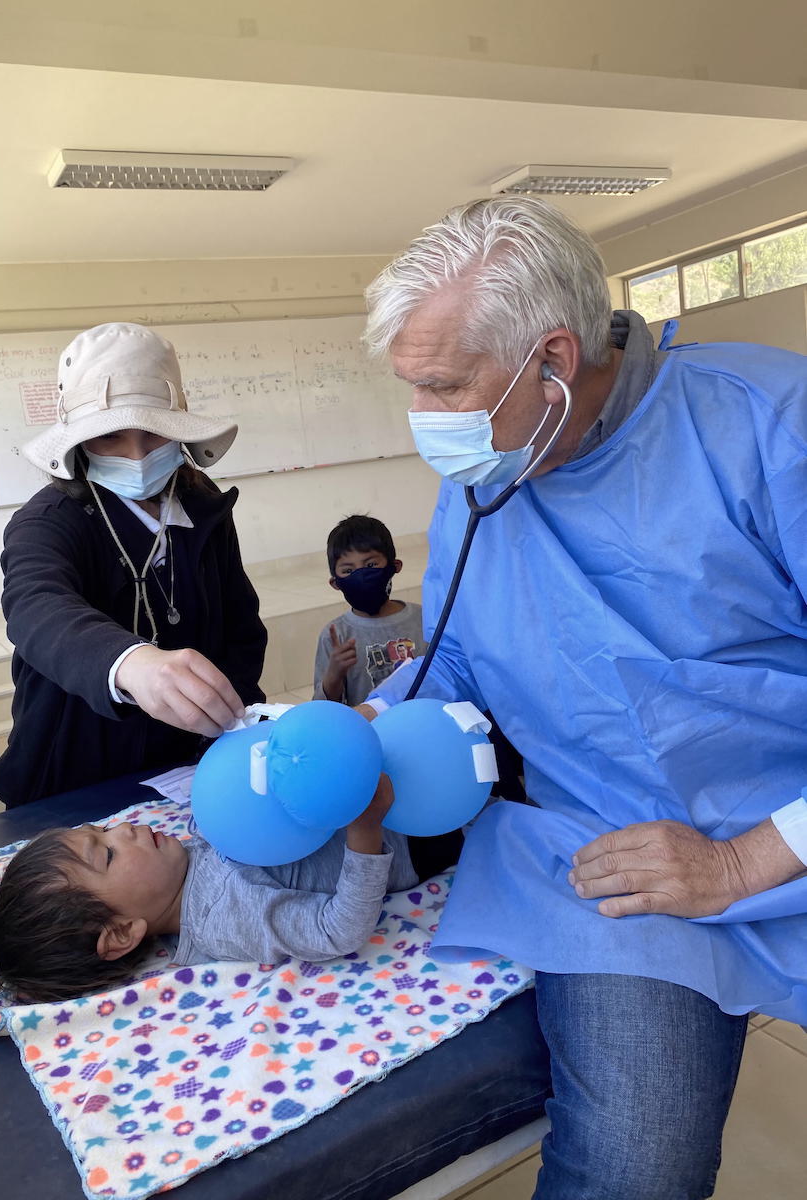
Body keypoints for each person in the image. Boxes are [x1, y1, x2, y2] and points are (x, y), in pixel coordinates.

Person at [359, 196, 807, 1200]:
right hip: (609, 852)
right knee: (635, 1169)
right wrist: (369, 731)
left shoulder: (770, 424)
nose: (425, 420)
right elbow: (461, 659)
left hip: (788, 831)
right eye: (412, 389)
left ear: (553, 359)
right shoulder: (487, 473)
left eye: (442, 386)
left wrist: (741, 861)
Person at [0, 323, 267, 808]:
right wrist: (129, 664)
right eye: (110, 437)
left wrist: (236, 716)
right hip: (73, 777)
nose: (136, 456)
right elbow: (35, 607)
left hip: (188, 765)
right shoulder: (48, 521)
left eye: (153, 433)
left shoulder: (204, 507)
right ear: (78, 442)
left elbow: (241, 626)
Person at [0, 781, 416, 1002]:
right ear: (119, 933)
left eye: (104, 829)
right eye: (108, 854)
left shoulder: (183, 864)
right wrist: (366, 827)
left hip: (362, 794)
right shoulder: (221, 918)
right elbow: (336, 931)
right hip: (410, 835)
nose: (124, 830)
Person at [313, 514, 425, 706]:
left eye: (371, 565)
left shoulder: (424, 619)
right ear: (335, 583)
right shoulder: (336, 635)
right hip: (369, 732)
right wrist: (333, 675)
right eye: (348, 571)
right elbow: (325, 711)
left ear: (394, 566)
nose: (361, 575)